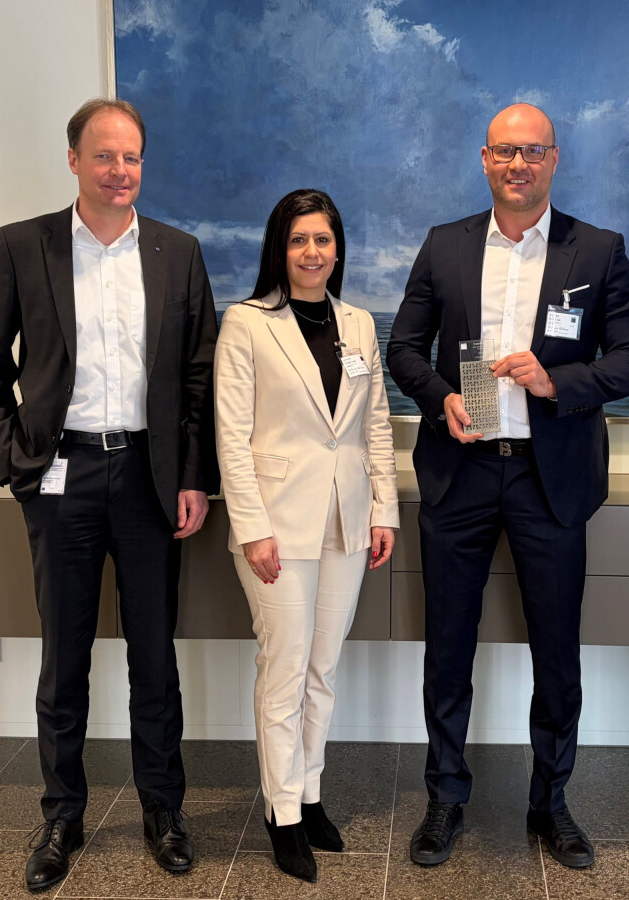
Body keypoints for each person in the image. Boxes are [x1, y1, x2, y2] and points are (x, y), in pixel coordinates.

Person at [386, 103, 629, 869]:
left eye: (533, 152)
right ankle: (445, 798)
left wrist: (559, 380)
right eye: (505, 151)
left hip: (551, 479)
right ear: (484, 159)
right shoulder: (445, 245)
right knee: (448, 647)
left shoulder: (597, 250)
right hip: (461, 470)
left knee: (557, 654)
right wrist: (440, 396)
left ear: (554, 160)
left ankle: (551, 803)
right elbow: (403, 348)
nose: (518, 165)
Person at [0, 98, 217, 890]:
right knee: (63, 658)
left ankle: (163, 811)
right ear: (73, 159)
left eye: (132, 157)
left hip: (148, 480)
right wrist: (16, 464)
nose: (120, 171)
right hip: (61, 479)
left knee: (155, 659)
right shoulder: (24, 245)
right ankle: (62, 816)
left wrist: (193, 477)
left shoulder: (178, 252)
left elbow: (199, 378)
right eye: (105, 155)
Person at [215, 189, 399, 883]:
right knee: (285, 670)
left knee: (323, 669)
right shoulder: (247, 323)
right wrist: (252, 527)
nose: (312, 252)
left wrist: (383, 511)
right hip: (276, 528)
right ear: (279, 248)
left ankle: (310, 792)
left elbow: (374, 424)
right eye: (299, 240)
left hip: (346, 520)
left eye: (323, 239)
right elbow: (232, 436)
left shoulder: (359, 324)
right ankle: (281, 811)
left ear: (338, 249)